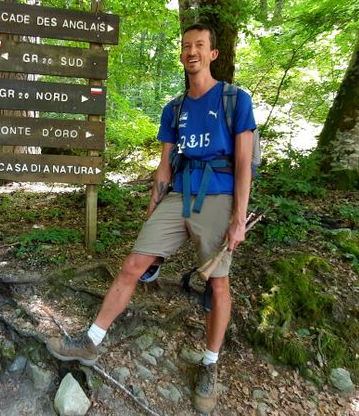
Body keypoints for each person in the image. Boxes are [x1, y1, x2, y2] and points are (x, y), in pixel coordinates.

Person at [46, 24, 256, 415]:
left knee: (219, 283)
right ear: (181, 54)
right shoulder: (174, 108)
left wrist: (239, 218)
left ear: (213, 54)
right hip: (178, 195)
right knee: (133, 264)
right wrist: (153, 207)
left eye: (200, 46)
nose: (191, 51)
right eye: (186, 46)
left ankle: (210, 364)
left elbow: (244, 162)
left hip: (219, 196)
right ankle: (91, 339)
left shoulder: (234, 99)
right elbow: (164, 165)